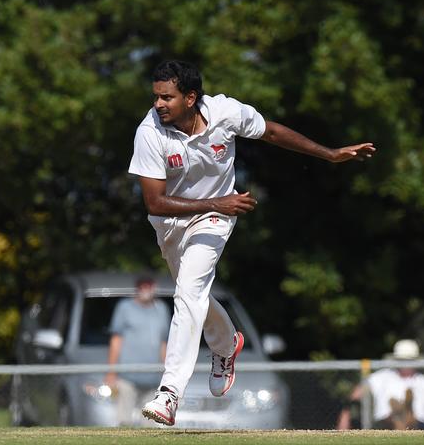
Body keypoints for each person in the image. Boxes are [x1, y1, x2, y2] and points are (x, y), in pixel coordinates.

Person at [129, 60, 375, 426]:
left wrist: (329, 154)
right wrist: (219, 201)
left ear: (191, 98)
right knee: (191, 293)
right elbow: (155, 202)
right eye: (156, 97)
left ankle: (169, 394)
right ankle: (227, 345)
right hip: (172, 221)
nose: (158, 104)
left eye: (167, 97)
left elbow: (271, 132)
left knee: (188, 292)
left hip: (214, 219)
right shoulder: (149, 132)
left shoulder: (225, 112)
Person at [104, 275, 170, 425]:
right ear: (137, 288)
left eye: (148, 285)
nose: (145, 289)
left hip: (153, 378)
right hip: (127, 376)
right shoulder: (125, 307)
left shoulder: (162, 309)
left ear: (154, 287)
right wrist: (111, 371)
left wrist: (167, 374)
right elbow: (116, 341)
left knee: (150, 425)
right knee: (124, 423)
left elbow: (163, 343)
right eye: (142, 286)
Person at [337, 339, 424, 430]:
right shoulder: (383, 376)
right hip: (386, 423)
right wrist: (347, 407)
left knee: (412, 421)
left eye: (409, 361)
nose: (406, 365)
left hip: (418, 425)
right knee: (391, 418)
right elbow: (357, 393)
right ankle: (400, 415)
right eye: (402, 361)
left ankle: (406, 414)